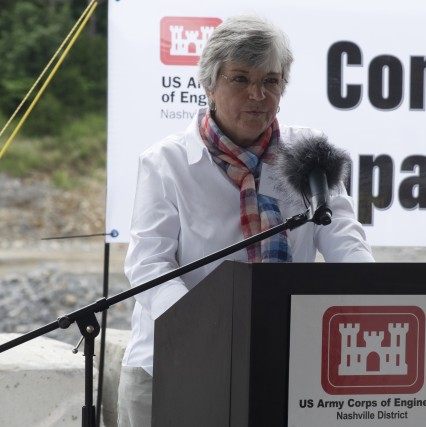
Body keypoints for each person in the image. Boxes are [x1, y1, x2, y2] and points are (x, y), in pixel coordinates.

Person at [117, 14, 374, 426]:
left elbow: (346, 242)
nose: (257, 94)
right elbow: (150, 265)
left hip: (280, 365)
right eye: (240, 79)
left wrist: (377, 298)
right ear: (209, 85)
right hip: (176, 366)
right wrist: (212, 328)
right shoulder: (167, 163)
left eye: (270, 81)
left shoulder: (309, 155)